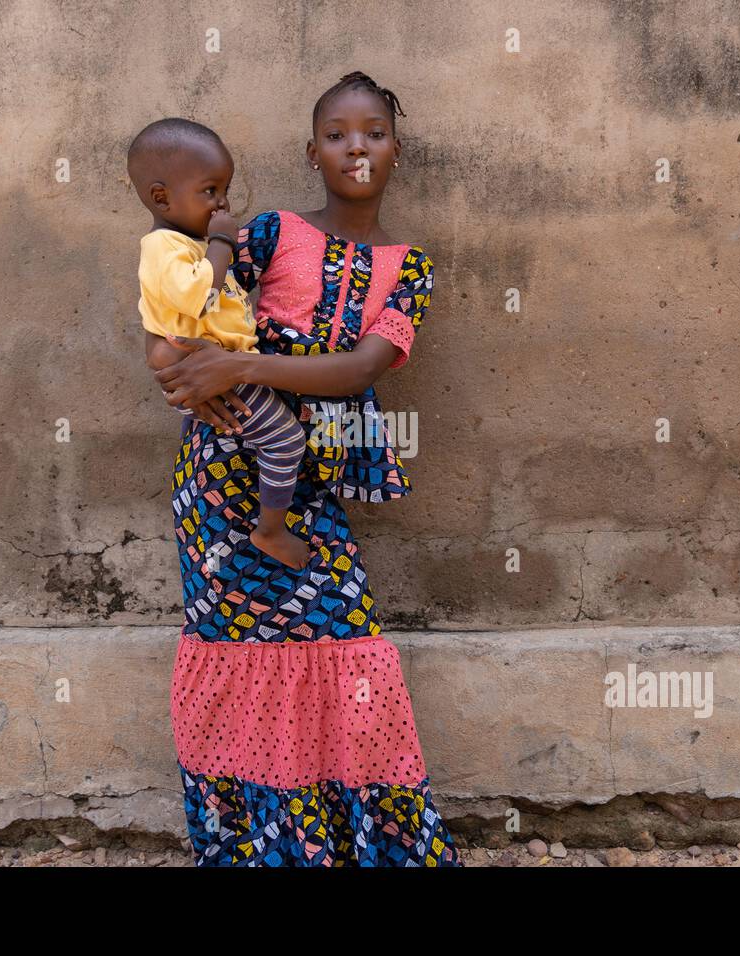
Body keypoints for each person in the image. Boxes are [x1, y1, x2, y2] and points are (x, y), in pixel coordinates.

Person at [148, 72, 461, 866]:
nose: (356, 147)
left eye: (374, 133)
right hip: (222, 472)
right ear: (312, 151)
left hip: (309, 478)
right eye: (337, 134)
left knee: (344, 639)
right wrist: (180, 368)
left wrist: (239, 366)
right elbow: (188, 309)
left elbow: (360, 369)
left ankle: (354, 848)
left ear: (396, 149)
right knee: (232, 643)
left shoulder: (410, 267)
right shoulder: (269, 232)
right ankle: (260, 851)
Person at [130, 118, 311, 569]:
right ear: (160, 197)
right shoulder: (164, 248)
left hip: (218, 367)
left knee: (256, 447)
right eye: (210, 190)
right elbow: (198, 295)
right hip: (208, 369)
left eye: (224, 190)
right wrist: (223, 241)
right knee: (286, 440)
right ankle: (270, 530)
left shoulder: (186, 245)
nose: (223, 203)